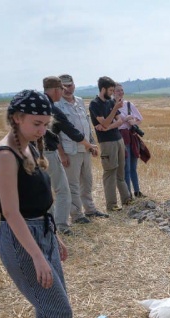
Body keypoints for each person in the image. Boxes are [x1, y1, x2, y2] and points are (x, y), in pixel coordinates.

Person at [0, 90, 92, 318]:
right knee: (60, 313)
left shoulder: (30, 146)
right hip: (22, 242)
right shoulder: (5, 156)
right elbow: (11, 212)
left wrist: (54, 236)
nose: (42, 130)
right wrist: (36, 255)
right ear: (16, 118)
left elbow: (38, 200)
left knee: (48, 309)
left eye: (46, 124)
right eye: (36, 123)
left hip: (43, 233)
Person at [42, 76, 98, 234]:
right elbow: (69, 130)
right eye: (62, 88)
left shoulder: (40, 103)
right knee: (63, 190)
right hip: (47, 152)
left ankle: (49, 226)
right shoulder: (52, 107)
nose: (64, 91)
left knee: (46, 189)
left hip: (32, 151)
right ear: (55, 90)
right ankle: (60, 226)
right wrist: (88, 144)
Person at [56, 74, 108, 223]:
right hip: (70, 150)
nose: (67, 89)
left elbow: (86, 125)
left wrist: (92, 144)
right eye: (63, 86)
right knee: (73, 184)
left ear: (74, 85)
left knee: (87, 181)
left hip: (85, 149)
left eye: (70, 85)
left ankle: (90, 210)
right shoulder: (57, 105)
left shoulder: (79, 101)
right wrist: (62, 153)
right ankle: (77, 215)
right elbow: (55, 133)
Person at [89, 76, 132, 212]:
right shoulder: (95, 104)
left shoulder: (110, 102)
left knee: (120, 172)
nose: (113, 93)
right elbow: (106, 122)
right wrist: (112, 114)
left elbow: (120, 121)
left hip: (118, 139)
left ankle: (127, 199)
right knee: (110, 173)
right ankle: (111, 204)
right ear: (103, 89)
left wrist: (108, 126)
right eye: (111, 90)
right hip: (107, 142)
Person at [113, 83, 145, 198]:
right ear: (113, 92)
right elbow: (110, 125)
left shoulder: (128, 105)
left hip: (132, 136)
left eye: (122, 90)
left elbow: (140, 119)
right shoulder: (110, 106)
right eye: (118, 91)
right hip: (121, 136)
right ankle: (128, 195)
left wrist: (133, 122)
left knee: (133, 166)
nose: (120, 92)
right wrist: (124, 120)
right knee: (125, 167)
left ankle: (137, 192)